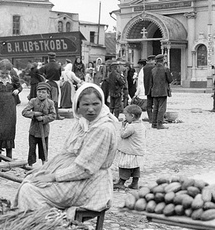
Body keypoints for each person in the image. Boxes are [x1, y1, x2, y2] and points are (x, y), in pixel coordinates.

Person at [13, 83, 119, 219]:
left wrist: (53, 176)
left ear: (102, 103)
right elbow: (67, 152)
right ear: (78, 106)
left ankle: (45, 227)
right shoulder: (83, 122)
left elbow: (85, 169)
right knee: (31, 179)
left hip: (89, 183)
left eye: (95, 104)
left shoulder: (102, 129)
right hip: (75, 175)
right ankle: (41, 223)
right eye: (86, 105)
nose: (91, 109)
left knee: (31, 190)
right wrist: (48, 169)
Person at [22, 81, 56, 169]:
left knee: (43, 148)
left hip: (44, 131)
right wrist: (34, 114)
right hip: (34, 130)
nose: (41, 94)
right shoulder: (33, 101)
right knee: (32, 148)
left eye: (43, 92)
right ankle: (30, 165)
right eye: (39, 92)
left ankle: (44, 164)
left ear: (48, 94)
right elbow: (24, 112)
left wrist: (44, 118)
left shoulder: (50, 103)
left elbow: (53, 115)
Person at [113, 104, 146, 190]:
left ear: (132, 116)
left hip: (129, 151)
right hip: (138, 151)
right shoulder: (142, 126)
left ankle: (121, 182)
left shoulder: (131, 127)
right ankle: (134, 183)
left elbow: (123, 135)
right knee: (135, 167)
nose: (125, 117)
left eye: (126, 115)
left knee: (125, 166)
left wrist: (123, 127)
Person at [150, 54, 173, 130]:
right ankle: (160, 124)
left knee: (155, 108)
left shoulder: (153, 70)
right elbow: (170, 80)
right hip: (163, 91)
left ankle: (154, 123)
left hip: (154, 91)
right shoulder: (166, 69)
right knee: (162, 108)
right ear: (162, 60)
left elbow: (151, 82)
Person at [39, 52, 63, 120]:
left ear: (48, 58)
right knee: (55, 100)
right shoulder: (58, 65)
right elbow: (60, 74)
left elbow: (39, 72)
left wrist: (44, 77)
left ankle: (47, 114)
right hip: (55, 83)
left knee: (47, 99)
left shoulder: (46, 66)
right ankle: (56, 115)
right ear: (55, 58)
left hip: (47, 83)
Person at [142, 55, 156, 124]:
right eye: (154, 60)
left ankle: (150, 118)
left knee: (149, 105)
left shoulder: (145, 68)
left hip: (147, 88)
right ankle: (155, 119)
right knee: (156, 104)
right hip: (155, 88)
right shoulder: (154, 67)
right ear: (152, 60)